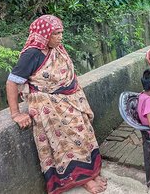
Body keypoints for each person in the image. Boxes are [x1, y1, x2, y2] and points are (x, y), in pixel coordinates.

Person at [6, 15, 106, 194]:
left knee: (85, 133)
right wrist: (16, 114)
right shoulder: (32, 54)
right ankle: (82, 179)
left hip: (70, 100)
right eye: (56, 33)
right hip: (49, 106)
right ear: (45, 35)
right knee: (68, 139)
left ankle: (91, 173)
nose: (60, 37)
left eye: (61, 33)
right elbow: (12, 82)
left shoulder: (57, 49)